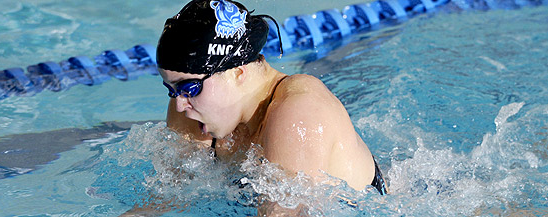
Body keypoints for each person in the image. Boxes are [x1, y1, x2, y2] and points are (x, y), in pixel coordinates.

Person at [128, 0, 387, 215]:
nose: (179, 104)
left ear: (238, 73)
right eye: (171, 89)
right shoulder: (192, 108)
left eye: (189, 88)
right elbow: (166, 199)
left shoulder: (299, 113)